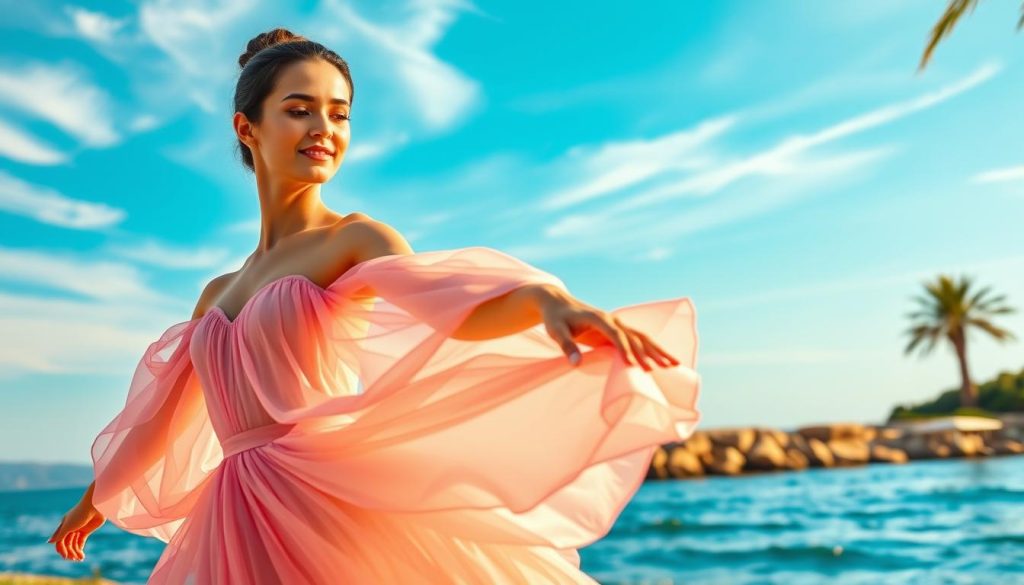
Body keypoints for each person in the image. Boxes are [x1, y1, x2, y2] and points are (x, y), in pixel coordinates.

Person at [46, 28, 702, 584]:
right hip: (233, 515)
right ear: (247, 127)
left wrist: (545, 301)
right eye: (300, 109)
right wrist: (94, 500)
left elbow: (455, 307)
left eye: (339, 114)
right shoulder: (216, 293)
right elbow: (161, 416)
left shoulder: (354, 239)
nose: (324, 129)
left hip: (322, 498)